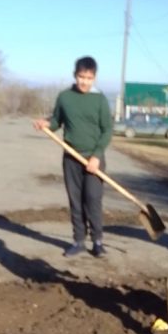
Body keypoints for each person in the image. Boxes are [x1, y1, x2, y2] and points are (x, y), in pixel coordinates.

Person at [34, 56, 112, 257]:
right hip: (71, 157)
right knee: (75, 200)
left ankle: (97, 241)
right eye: (81, 76)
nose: (84, 81)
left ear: (94, 78)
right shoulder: (65, 97)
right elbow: (56, 122)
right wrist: (46, 124)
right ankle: (78, 241)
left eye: (89, 77)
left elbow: (107, 131)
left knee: (93, 199)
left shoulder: (100, 100)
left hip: (93, 160)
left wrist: (96, 156)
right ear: (75, 75)